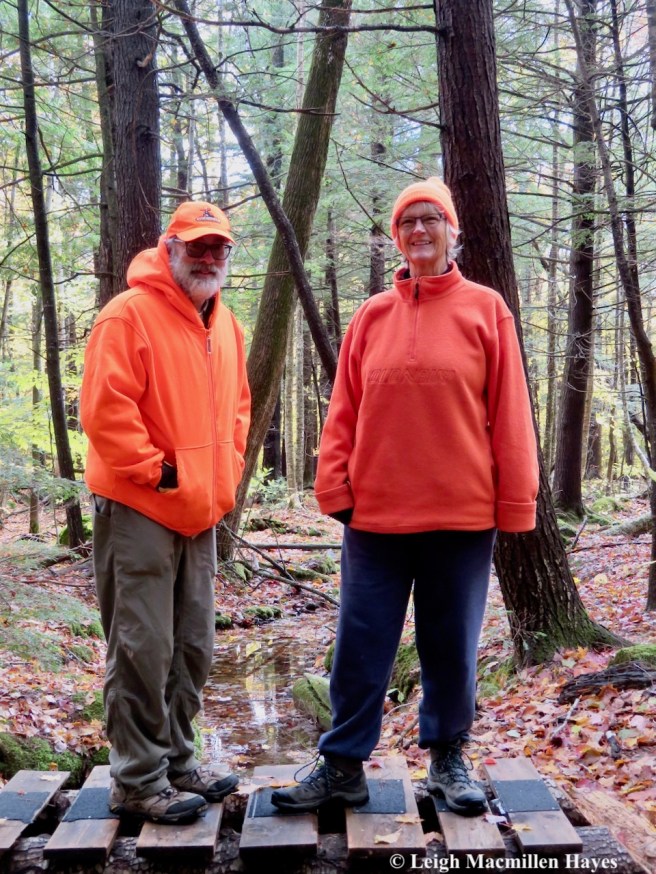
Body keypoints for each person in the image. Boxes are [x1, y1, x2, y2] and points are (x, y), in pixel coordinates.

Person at [272, 177, 538, 817]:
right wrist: (334, 484)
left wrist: (516, 499)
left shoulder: (486, 309)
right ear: (396, 237)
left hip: (461, 514)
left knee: (451, 645)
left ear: (452, 232)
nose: (419, 230)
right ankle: (342, 765)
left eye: (430, 219)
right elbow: (345, 407)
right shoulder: (372, 316)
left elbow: (511, 410)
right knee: (360, 644)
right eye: (407, 222)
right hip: (375, 516)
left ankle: (448, 760)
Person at [80, 201, 251, 824]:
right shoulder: (127, 315)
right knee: (142, 647)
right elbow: (104, 411)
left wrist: (226, 471)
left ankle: (179, 761)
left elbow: (239, 408)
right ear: (169, 247)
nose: (207, 258)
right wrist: (161, 472)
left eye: (217, 248)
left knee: (193, 646)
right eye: (196, 246)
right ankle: (137, 779)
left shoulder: (225, 324)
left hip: (200, 512)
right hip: (138, 508)